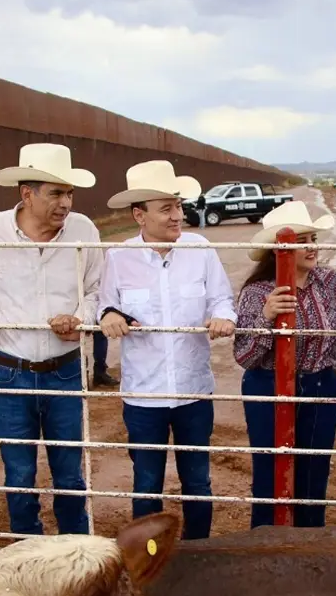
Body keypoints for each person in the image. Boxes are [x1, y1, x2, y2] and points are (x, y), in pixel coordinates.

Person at [0, 143, 101, 535]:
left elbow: (96, 290)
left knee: (69, 473)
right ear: (27, 193)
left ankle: (76, 552)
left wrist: (80, 319)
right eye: (55, 193)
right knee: (18, 474)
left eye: (69, 193)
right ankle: (27, 551)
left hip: (64, 369)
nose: (65, 203)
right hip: (10, 371)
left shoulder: (85, 230)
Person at [99, 161, 235, 540]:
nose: (178, 215)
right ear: (139, 215)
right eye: (167, 208)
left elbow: (221, 298)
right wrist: (109, 314)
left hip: (193, 389)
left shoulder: (201, 249)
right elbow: (105, 305)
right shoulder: (119, 257)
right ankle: (149, 561)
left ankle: (199, 555)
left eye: (178, 205)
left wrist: (222, 316)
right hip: (145, 393)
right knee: (145, 484)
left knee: (198, 480)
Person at [235, 201, 336, 528]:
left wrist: (334, 366)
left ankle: (308, 542)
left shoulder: (332, 283)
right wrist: (266, 317)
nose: (311, 248)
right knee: (271, 471)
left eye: (312, 239)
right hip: (267, 384)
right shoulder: (258, 292)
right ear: (279, 251)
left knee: (314, 470)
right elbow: (244, 355)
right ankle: (267, 542)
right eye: (301, 241)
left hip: (320, 384)